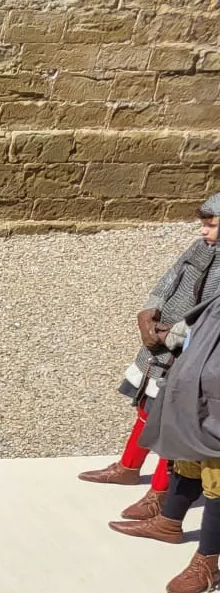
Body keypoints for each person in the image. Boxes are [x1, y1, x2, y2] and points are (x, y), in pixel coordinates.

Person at [81, 195, 220, 520]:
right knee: (147, 406)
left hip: (189, 354)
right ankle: (128, 467)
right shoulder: (201, 249)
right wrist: (148, 312)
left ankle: (159, 493)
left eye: (210, 225)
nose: (202, 231)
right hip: (158, 343)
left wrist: (171, 336)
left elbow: (210, 319)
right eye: (203, 224)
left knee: (170, 421)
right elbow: (168, 279)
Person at [123, 286, 220, 593]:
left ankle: (206, 563)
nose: (206, 232)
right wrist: (167, 335)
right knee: (188, 462)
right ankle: (168, 523)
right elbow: (195, 331)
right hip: (197, 402)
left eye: (211, 228)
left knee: (218, 486)